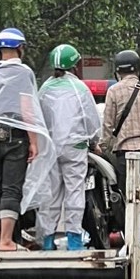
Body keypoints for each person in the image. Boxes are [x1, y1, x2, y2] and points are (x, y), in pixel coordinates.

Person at [0, 28, 54, 251]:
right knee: (11, 189)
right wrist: (34, 141)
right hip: (15, 138)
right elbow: (27, 108)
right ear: (20, 48)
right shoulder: (23, 72)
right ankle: (6, 241)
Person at [37, 44, 101, 251]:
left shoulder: (44, 89)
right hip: (75, 148)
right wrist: (94, 142)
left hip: (50, 149)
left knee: (51, 194)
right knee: (75, 191)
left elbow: (38, 118)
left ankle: (47, 240)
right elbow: (91, 120)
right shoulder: (79, 88)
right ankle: (74, 239)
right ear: (75, 65)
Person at [100, 49, 140, 199]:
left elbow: (108, 124)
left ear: (117, 72)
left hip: (125, 151)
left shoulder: (113, 91)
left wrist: (103, 147)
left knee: (126, 198)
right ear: (138, 70)